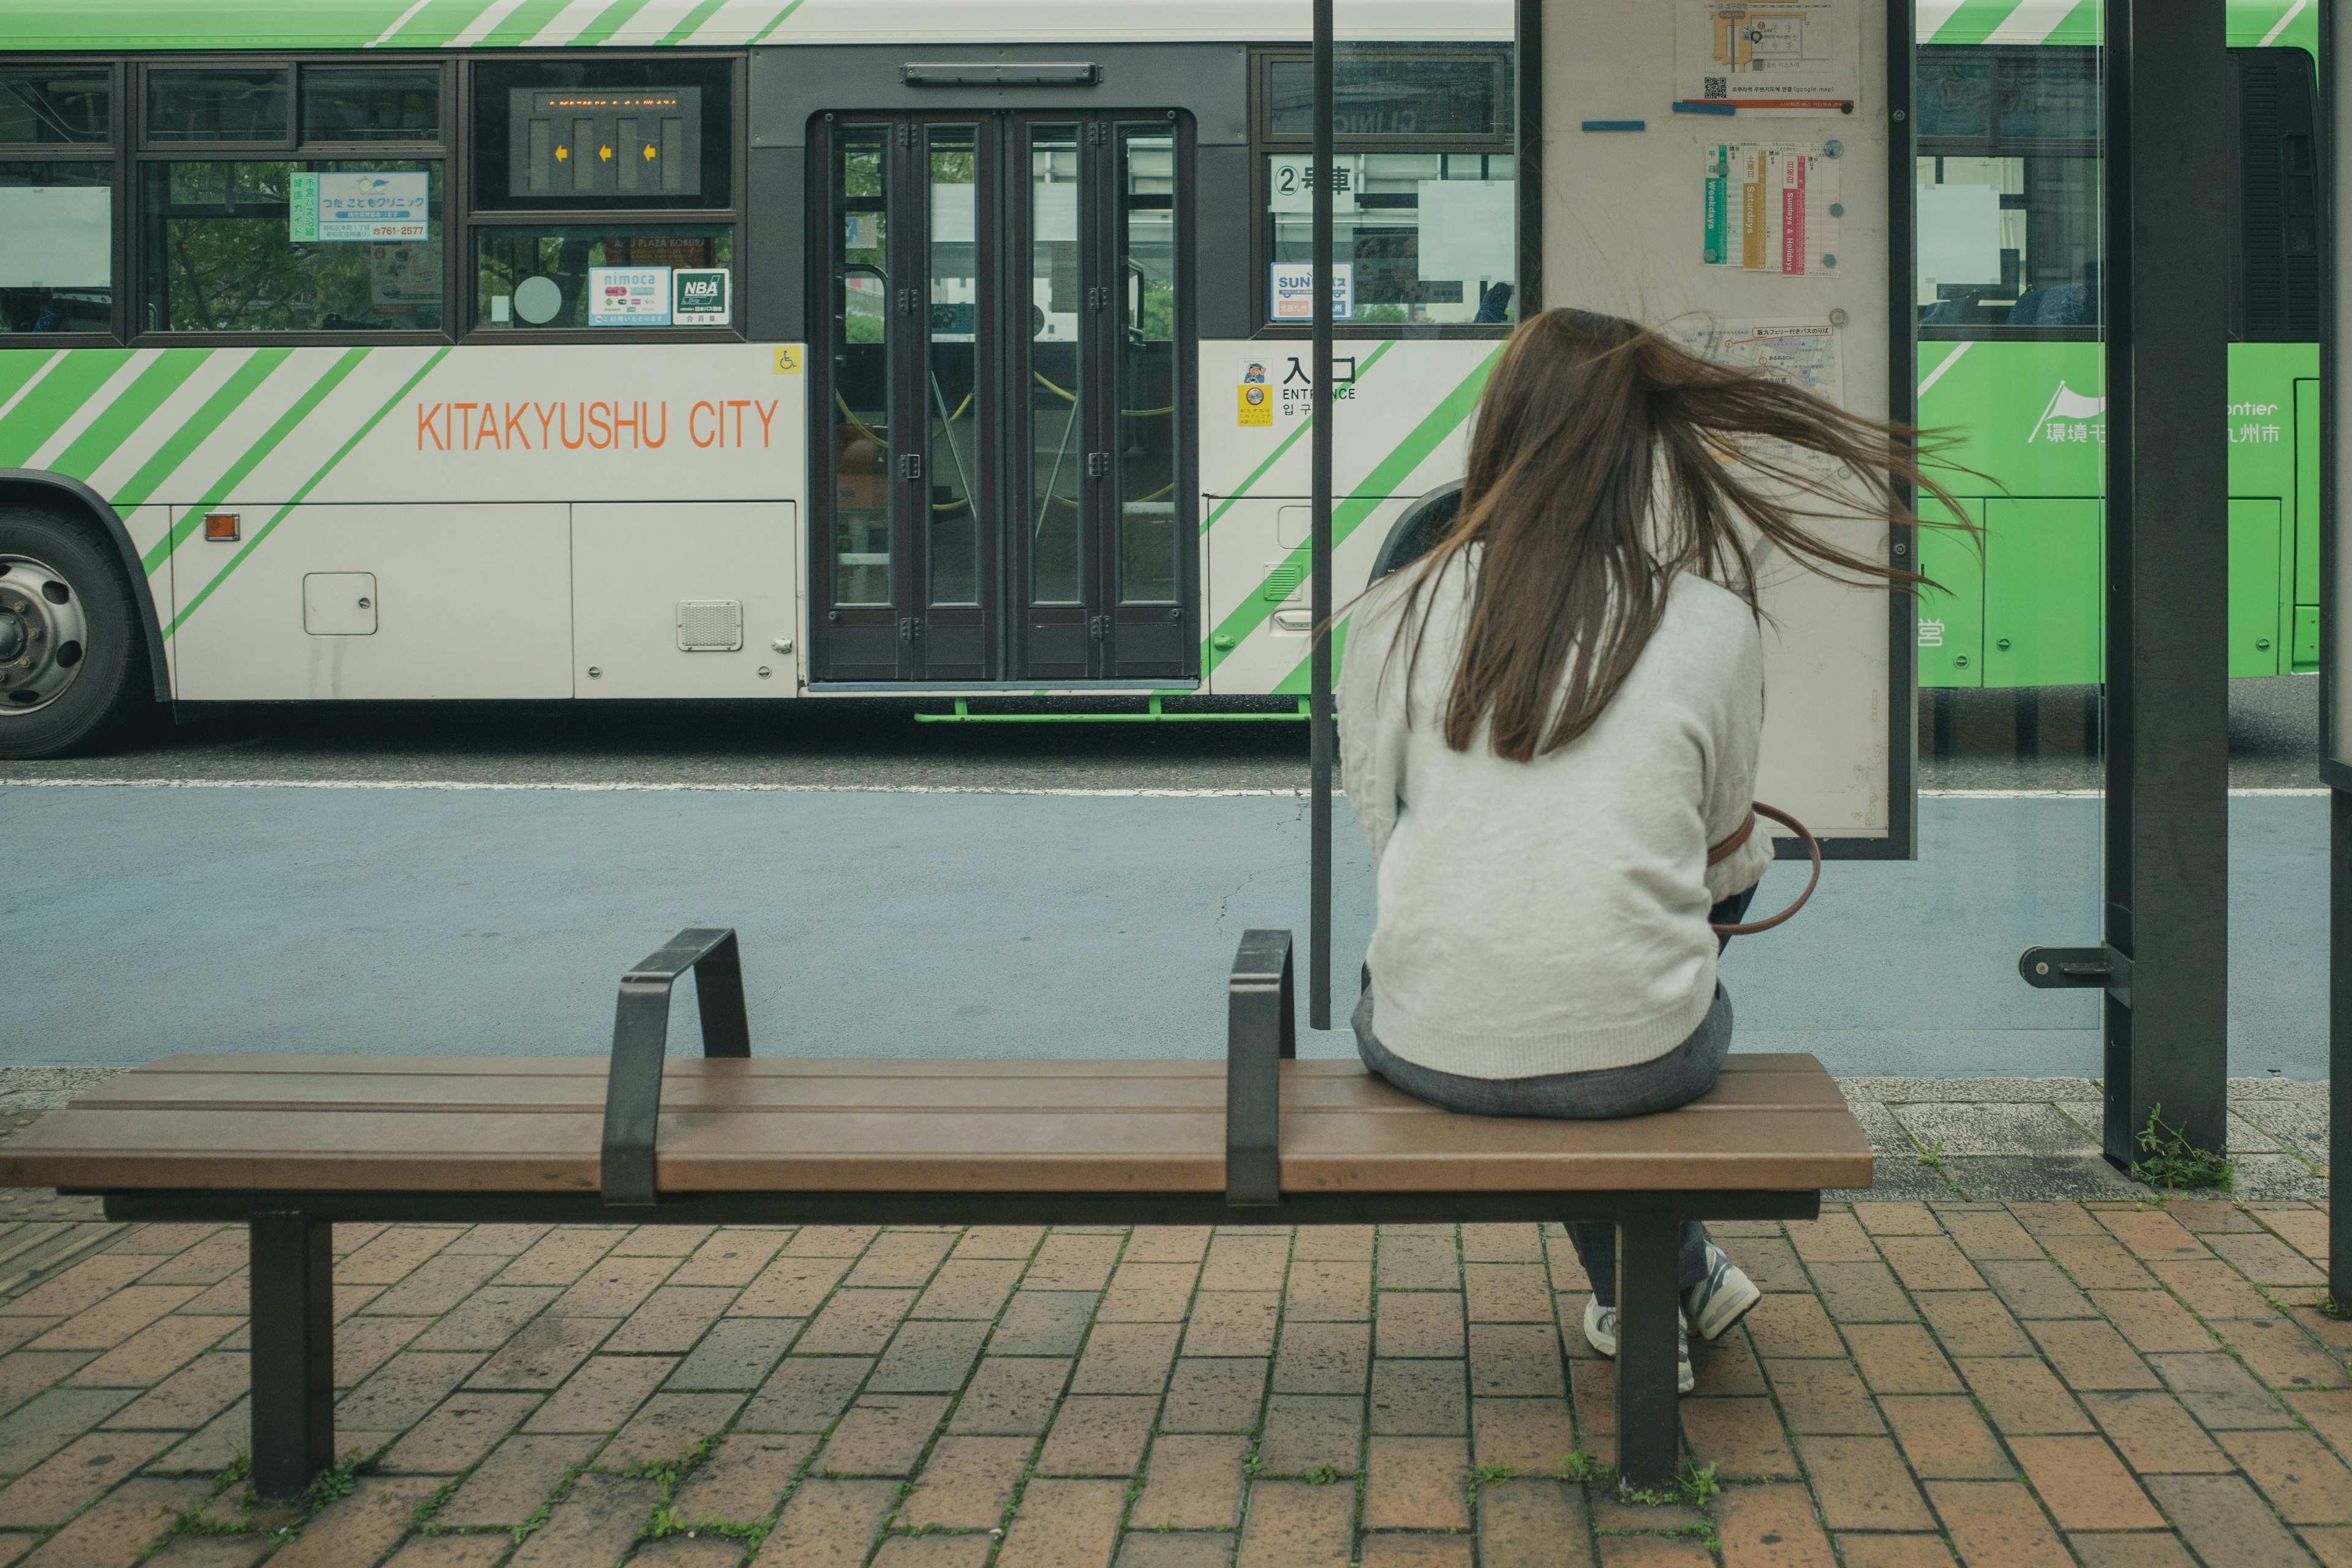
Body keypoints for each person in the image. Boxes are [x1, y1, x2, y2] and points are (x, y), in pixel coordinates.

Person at [1337, 308, 1967, 1392]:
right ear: (1641, 450)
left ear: (1495, 434)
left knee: (1502, 992)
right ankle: (1672, 1280)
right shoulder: (1710, 621)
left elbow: (1381, 830)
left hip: (1430, 1040)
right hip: (1643, 1056)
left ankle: (1656, 1298)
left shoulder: (1395, 607)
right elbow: (1730, 865)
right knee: (1614, 1009)